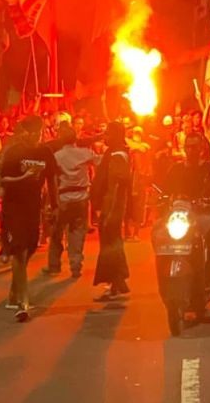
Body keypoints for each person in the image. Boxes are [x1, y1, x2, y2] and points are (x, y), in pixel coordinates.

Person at [0, 116, 48, 321]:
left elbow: (51, 178)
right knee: (19, 250)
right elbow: (3, 178)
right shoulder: (12, 152)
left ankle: (14, 289)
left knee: (31, 248)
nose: (36, 135)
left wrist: (53, 204)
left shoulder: (44, 152)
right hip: (14, 208)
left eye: (39, 131)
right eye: (32, 131)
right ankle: (22, 302)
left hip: (34, 209)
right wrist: (24, 178)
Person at [164, 131, 210, 293]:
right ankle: (163, 273)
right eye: (188, 147)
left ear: (201, 148)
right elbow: (162, 190)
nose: (190, 150)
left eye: (194, 147)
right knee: (157, 232)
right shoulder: (175, 169)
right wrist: (160, 200)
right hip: (179, 217)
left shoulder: (208, 168)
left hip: (201, 215)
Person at [47, 124, 95, 278]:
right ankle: (75, 266)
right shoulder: (85, 153)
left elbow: (52, 179)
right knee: (77, 232)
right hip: (81, 198)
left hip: (63, 199)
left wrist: (52, 203)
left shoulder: (57, 156)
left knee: (56, 233)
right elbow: (101, 161)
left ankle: (54, 265)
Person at [92, 122, 132, 301]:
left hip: (112, 208)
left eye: (107, 134)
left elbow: (117, 185)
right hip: (110, 207)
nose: (104, 137)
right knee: (112, 245)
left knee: (110, 247)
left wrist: (110, 212)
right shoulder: (113, 153)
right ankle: (118, 282)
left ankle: (113, 283)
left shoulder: (118, 155)